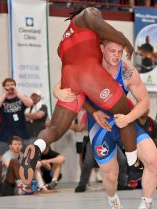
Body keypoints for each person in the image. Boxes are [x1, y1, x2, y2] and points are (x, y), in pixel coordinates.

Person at [20, 7, 143, 186]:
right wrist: (126, 42)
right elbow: (97, 23)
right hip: (91, 75)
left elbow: (81, 90)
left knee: (55, 128)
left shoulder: (61, 44)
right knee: (126, 116)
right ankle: (133, 164)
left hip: (70, 78)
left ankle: (37, 147)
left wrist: (92, 111)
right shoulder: (89, 13)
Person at [55, 39, 157, 209]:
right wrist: (59, 93)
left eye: (120, 52)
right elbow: (61, 84)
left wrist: (129, 117)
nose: (116, 56)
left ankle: (145, 206)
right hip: (100, 126)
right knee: (111, 175)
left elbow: (144, 102)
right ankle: (113, 201)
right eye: (112, 51)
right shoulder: (90, 65)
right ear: (102, 49)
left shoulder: (127, 72)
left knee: (154, 160)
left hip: (124, 121)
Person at [0, 78, 33, 157]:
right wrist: (4, 94)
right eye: (7, 85)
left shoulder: (21, 98)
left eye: (12, 85)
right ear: (3, 87)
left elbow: (30, 103)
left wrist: (16, 92)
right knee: (4, 161)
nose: (10, 86)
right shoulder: (0, 99)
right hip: (5, 137)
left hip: (23, 135)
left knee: (27, 161)